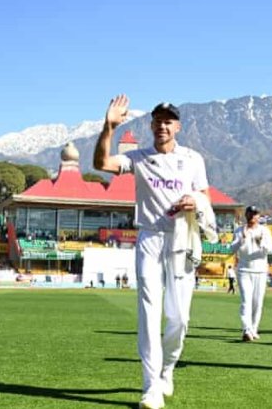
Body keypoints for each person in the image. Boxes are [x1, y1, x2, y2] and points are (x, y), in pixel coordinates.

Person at [93, 94, 212, 409]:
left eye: (168, 120)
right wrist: (109, 127)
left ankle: (167, 368)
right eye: (158, 120)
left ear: (178, 127)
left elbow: (204, 196)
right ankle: (150, 387)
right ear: (151, 125)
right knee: (149, 311)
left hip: (182, 238)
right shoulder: (139, 157)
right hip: (149, 238)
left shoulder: (193, 159)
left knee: (180, 318)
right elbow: (101, 163)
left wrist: (195, 202)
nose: (163, 125)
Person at [230, 205, 272, 341]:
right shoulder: (239, 231)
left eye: (255, 214)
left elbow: (271, 250)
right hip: (244, 269)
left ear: (258, 216)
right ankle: (246, 329)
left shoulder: (264, 231)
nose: (253, 217)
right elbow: (231, 249)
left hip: (260, 270)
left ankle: (254, 328)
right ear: (246, 215)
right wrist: (241, 239)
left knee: (257, 302)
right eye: (250, 214)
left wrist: (261, 243)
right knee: (246, 301)